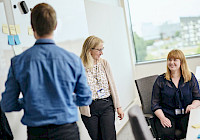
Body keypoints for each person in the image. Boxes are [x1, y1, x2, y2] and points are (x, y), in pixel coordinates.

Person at [1, 3, 92, 140]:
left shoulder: (18, 62)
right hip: (67, 132)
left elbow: (7, 104)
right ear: (55, 26)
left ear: (33, 28)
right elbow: (85, 97)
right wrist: (64, 98)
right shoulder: (72, 60)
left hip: (37, 134)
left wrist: (30, 102)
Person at [79, 36, 124, 140]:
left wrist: (118, 107)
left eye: (102, 49)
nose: (101, 53)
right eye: (99, 50)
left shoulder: (104, 63)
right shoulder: (79, 66)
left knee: (109, 137)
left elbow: (112, 85)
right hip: (89, 108)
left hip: (106, 105)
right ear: (90, 50)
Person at [151, 49, 200, 140]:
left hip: (186, 114)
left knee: (194, 131)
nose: (171, 62)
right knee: (167, 133)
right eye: (169, 60)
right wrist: (162, 118)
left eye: (175, 60)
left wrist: (192, 105)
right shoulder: (160, 80)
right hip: (167, 114)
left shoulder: (190, 77)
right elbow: (155, 104)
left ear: (181, 62)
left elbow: (198, 98)